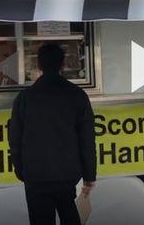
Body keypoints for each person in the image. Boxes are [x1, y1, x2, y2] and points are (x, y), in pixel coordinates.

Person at [8, 43, 96, 225]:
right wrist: (89, 175)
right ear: (63, 64)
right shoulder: (77, 95)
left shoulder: (25, 98)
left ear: (38, 65)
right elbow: (87, 139)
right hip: (67, 174)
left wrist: (21, 170)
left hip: (35, 175)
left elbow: (15, 138)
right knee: (70, 216)